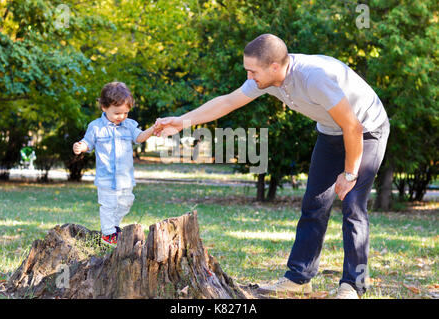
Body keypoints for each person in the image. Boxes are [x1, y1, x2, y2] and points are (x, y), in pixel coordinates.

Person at [153, 34, 390, 299]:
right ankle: (299, 278)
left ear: (274, 67)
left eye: (252, 71)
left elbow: (352, 126)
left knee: (353, 205)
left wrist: (349, 173)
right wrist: (182, 122)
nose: (249, 76)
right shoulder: (266, 79)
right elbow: (229, 101)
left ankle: (352, 286)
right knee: (314, 203)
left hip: (366, 130)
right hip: (331, 132)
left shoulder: (314, 77)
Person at [73, 82, 155, 247]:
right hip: (106, 177)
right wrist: (81, 146)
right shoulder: (96, 127)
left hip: (125, 177)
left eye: (125, 112)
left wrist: (153, 129)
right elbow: (88, 142)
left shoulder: (129, 125)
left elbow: (139, 137)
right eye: (117, 113)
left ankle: (113, 226)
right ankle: (108, 233)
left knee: (126, 201)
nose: (122, 116)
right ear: (104, 107)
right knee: (108, 205)